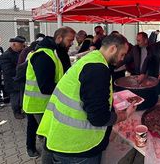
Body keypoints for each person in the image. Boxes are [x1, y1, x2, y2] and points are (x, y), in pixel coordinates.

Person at [37, 34, 136, 164]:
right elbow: (98, 118)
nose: (122, 59)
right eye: (122, 54)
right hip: (77, 148)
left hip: (63, 138)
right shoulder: (97, 69)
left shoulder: (92, 58)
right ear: (113, 48)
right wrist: (124, 115)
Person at [23, 26, 75, 159]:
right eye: (70, 40)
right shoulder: (44, 55)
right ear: (59, 38)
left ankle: (32, 147)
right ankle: (36, 152)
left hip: (43, 103)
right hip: (39, 104)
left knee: (38, 129)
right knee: (49, 138)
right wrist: (68, 88)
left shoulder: (54, 51)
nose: (72, 43)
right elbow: (45, 87)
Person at [0, 36, 26, 119]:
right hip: (12, 81)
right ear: (14, 44)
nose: (23, 47)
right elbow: (8, 70)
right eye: (21, 45)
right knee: (15, 98)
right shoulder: (6, 55)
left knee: (20, 96)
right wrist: (22, 69)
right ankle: (16, 112)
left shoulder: (20, 52)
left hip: (19, 79)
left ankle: (21, 110)